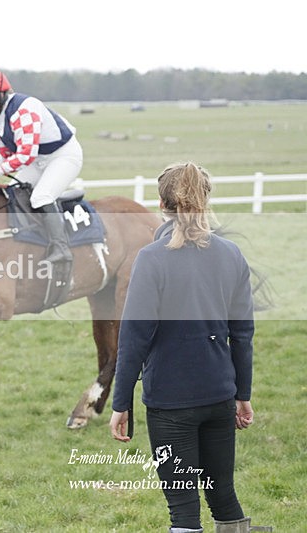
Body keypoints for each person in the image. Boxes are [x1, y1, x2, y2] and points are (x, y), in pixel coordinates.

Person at [109, 163, 260, 533]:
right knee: (224, 494)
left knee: (183, 508)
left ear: (161, 203)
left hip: (170, 401)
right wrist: (243, 394)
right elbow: (242, 334)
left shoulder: (151, 258)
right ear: (205, 200)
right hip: (219, 394)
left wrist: (121, 402)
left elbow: (134, 337)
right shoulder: (231, 254)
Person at [0, 67, 83, 267]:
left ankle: (61, 248)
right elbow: (3, 153)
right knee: (14, 193)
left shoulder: (25, 108)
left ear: (2, 95)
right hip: (39, 160)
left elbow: (26, 155)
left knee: (41, 197)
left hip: (63, 156)